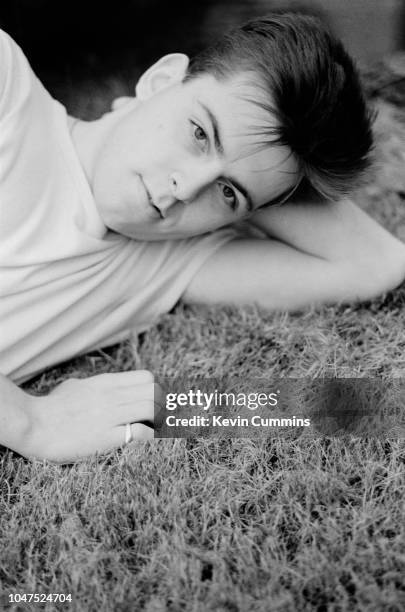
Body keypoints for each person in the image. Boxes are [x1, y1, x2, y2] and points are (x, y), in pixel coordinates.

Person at [1, 14, 404, 463]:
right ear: (160, 81)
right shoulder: (9, 93)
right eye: (199, 134)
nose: (186, 188)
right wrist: (28, 422)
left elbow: (376, 265)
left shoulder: (164, 262)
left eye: (226, 192)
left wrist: (267, 174)